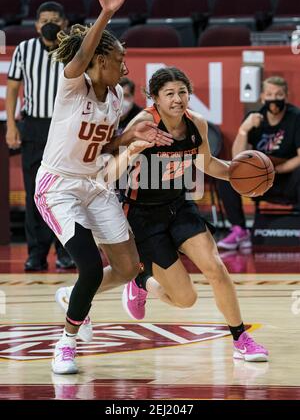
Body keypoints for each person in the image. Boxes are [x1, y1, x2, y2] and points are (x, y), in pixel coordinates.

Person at [58, 66, 269, 363]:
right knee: (186, 299)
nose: (178, 99)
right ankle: (141, 283)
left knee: (215, 267)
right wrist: (132, 151)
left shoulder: (197, 124)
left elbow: (206, 163)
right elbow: (108, 174)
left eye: (182, 92)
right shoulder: (143, 123)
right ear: (154, 97)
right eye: (169, 93)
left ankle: (240, 338)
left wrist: (240, 176)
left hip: (179, 206)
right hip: (142, 215)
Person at [34, 0, 172, 375]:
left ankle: (72, 296)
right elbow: (80, 57)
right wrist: (105, 16)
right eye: (118, 61)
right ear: (97, 61)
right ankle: (67, 342)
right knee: (91, 267)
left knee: (130, 268)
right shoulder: (72, 86)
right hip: (58, 186)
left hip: (94, 185)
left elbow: (105, 144)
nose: (125, 69)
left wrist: (130, 134)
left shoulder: (113, 97)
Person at [5, 1, 76, 271]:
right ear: (36, 25)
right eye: (45, 19)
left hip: (66, 128)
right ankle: (36, 253)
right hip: (34, 126)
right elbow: (12, 91)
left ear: (64, 23)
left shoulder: (75, 50)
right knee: (36, 193)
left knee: (66, 192)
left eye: (55, 19)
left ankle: (66, 251)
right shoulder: (24, 50)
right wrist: (11, 125)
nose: (50, 23)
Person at [217, 76, 300, 250]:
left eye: (279, 94)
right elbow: (236, 158)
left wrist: (273, 170)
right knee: (226, 174)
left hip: (288, 179)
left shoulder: (296, 117)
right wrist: (243, 130)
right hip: (261, 181)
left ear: (286, 96)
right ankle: (240, 230)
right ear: (262, 97)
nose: (274, 98)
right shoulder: (255, 118)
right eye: (269, 94)